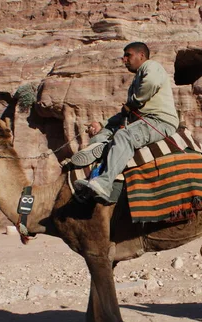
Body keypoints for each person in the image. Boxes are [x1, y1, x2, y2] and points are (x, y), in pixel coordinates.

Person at [74, 42, 179, 204]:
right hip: (142, 121)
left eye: (128, 55)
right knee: (103, 135)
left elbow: (150, 84)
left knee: (123, 136)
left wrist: (133, 102)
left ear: (141, 55)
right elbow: (126, 112)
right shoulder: (136, 80)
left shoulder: (151, 66)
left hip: (160, 121)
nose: (124, 59)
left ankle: (104, 184)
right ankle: (98, 154)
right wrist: (102, 124)